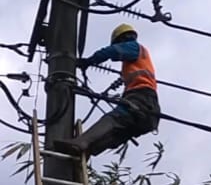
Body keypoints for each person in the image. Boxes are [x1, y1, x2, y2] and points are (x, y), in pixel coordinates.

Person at [53, 23, 161, 156]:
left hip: (141, 96)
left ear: (123, 39)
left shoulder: (134, 47)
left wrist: (89, 61)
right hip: (150, 110)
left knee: (115, 118)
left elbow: (112, 51)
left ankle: (81, 143)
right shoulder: (138, 60)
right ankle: (86, 152)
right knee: (119, 132)